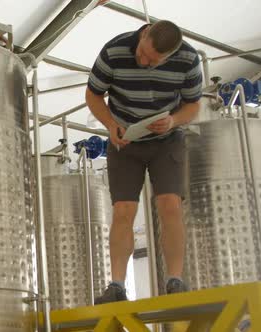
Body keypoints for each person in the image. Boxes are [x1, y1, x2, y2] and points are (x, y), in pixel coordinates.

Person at [85, 20, 202, 304]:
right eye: (142, 53)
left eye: (153, 61)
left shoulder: (188, 59)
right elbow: (93, 94)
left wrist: (174, 120)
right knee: (123, 209)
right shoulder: (114, 51)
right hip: (125, 140)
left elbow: (193, 105)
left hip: (167, 141)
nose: (143, 61)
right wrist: (111, 125)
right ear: (144, 33)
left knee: (170, 204)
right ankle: (116, 286)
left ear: (170, 56)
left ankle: (174, 280)